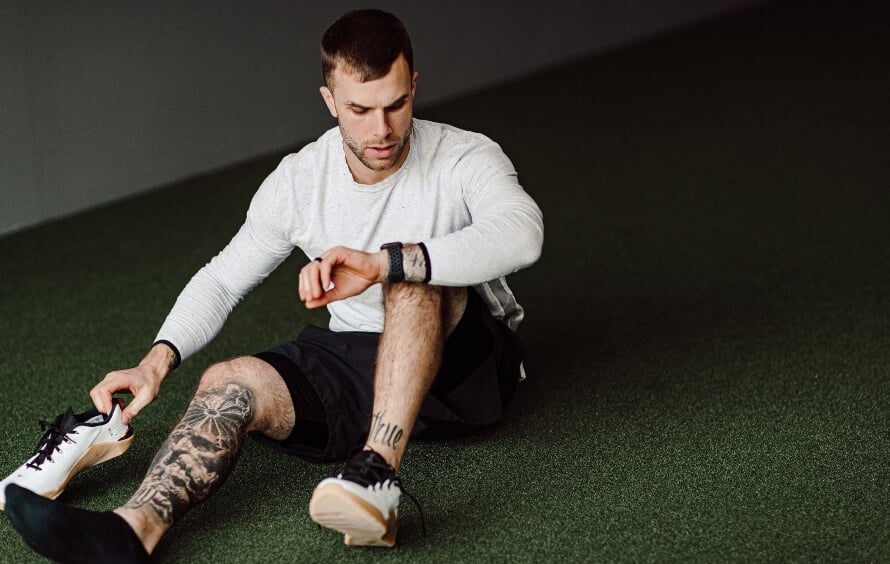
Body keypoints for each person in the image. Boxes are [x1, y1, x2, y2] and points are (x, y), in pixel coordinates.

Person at [3, 8, 543, 561]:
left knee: (413, 277)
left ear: (414, 88)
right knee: (230, 382)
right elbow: (222, 278)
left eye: (396, 104)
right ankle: (129, 531)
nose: (381, 130)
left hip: (469, 369)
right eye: (359, 110)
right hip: (364, 358)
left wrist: (384, 264)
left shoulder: (463, 155)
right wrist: (155, 362)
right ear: (330, 100)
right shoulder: (299, 182)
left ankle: (375, 476)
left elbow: (524, 235)